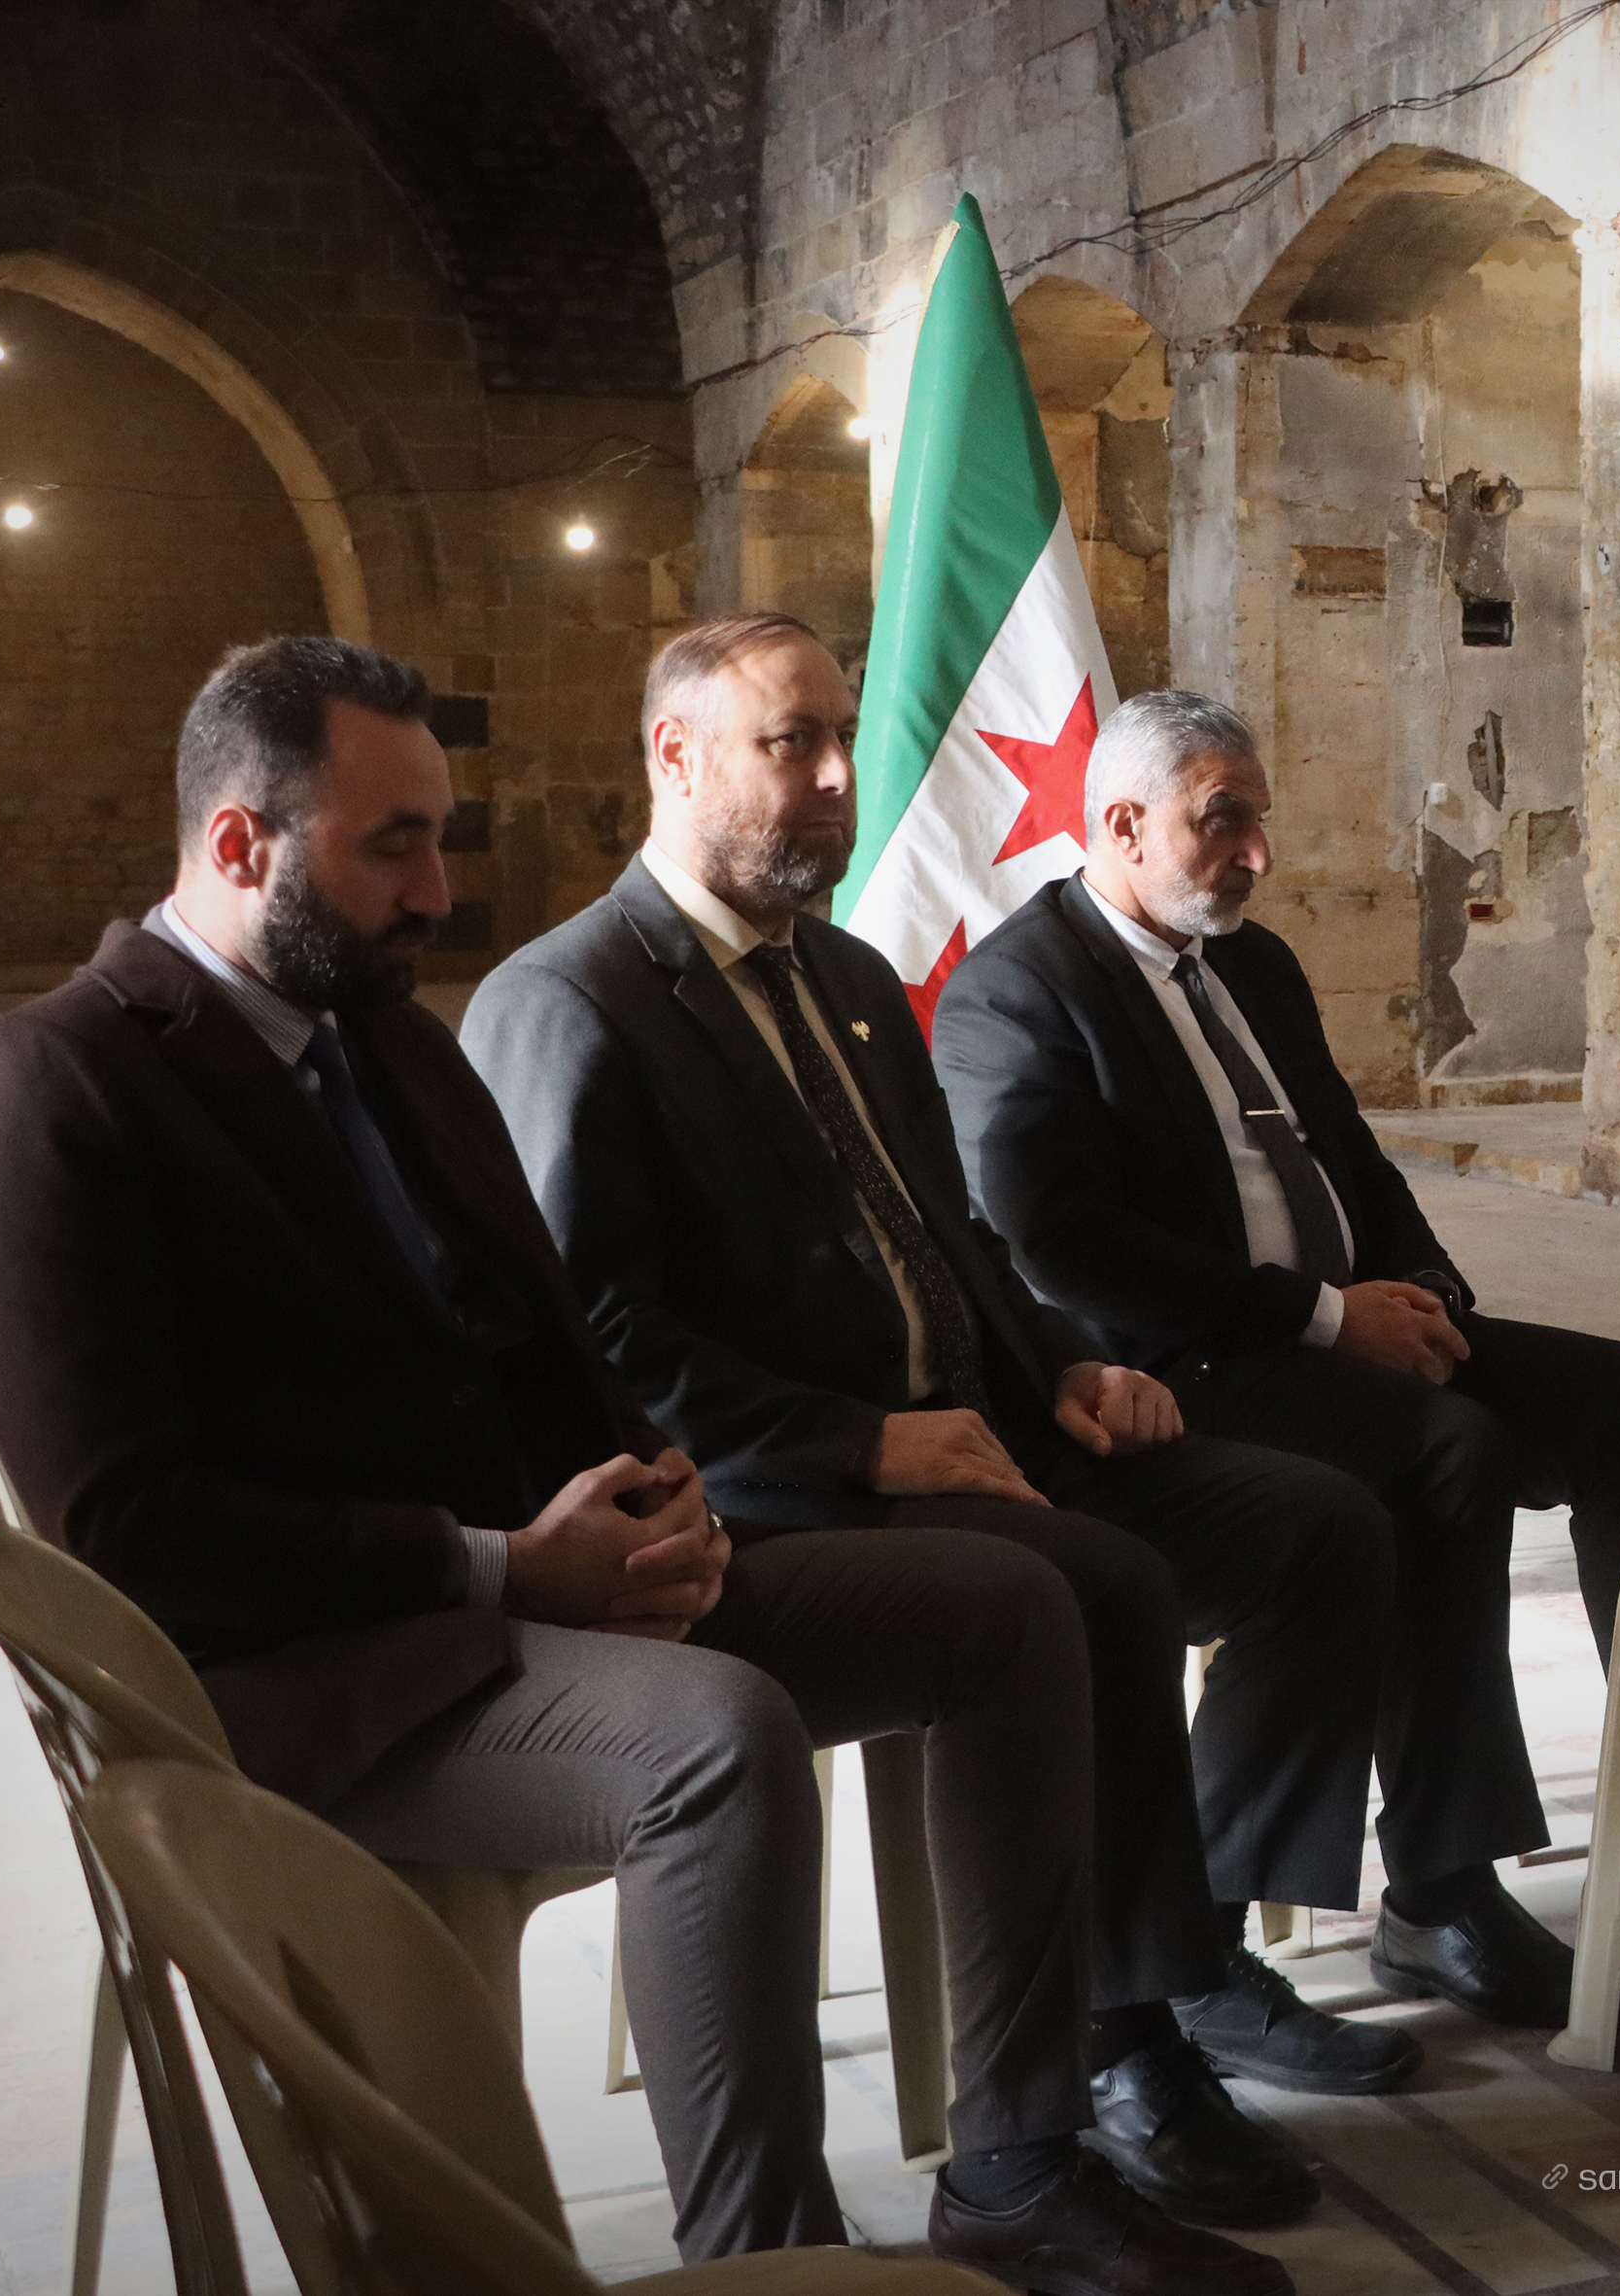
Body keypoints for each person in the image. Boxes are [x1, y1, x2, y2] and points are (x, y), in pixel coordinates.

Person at [0, 637, 1281, 2292]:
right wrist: (501, 1563)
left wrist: (659, 1502)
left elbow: (556, 1347)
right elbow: (121, 1526)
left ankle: (1018, 2162)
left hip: (537, 1594)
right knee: (712, 1740)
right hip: (308, 1672)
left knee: (1014, 1606)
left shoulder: (392, 1043)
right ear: (239, 844)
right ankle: (769, 2259)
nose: (440, 890)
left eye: (443, 836)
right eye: (394, 846)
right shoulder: (57, 1076)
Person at [460, 614, 1465, 2235]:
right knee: (1093, 1584)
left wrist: (1058, 1359)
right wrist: (861, 1443)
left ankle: (1192, 1954)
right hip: (777, 1489)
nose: (835, 777)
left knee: (1311, 1523)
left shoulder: (851, 978)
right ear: (674, 756)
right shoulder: (571, 995)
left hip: (984, 1428)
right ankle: (1119, 2046)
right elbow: (601, 1336)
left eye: (840, 739)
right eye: (790, 742)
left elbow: (958, 1234)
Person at [931, 688, 1620, 1881]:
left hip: (1341, 1325)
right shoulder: (1019, 990)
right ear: (1124, 823)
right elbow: (1067, 1247)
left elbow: (1349, 1154)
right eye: (1223, 820)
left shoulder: (1255, 964)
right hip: (1184, 1361)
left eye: (1260, 820)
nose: (1257, 854)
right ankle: (1443, 1885)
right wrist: (1328, 1317)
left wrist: (1428, 1288)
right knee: (1449, 1451)